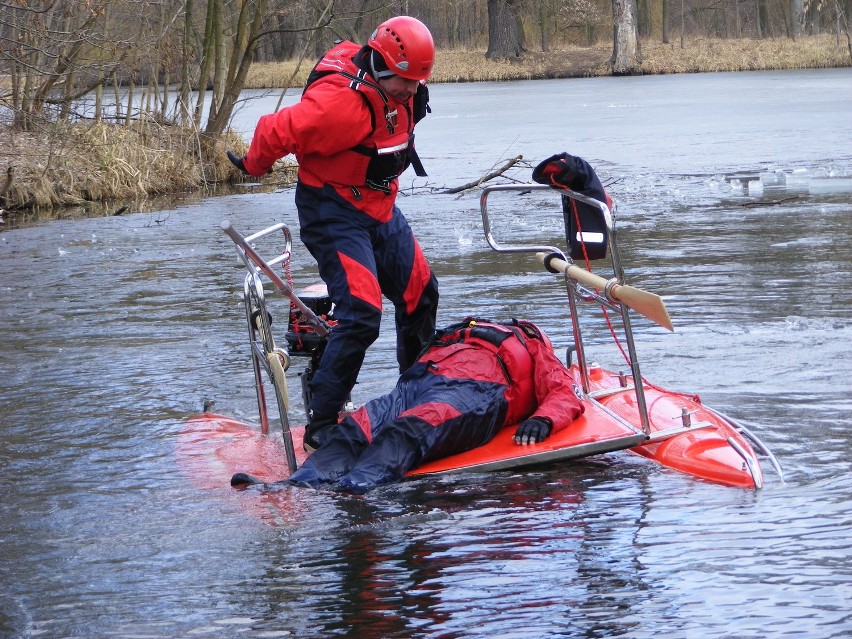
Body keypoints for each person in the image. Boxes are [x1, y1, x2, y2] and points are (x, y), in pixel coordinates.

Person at [228, 17, 440, 450]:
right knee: (362, 313)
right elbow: (274, 130)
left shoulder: (406, 92)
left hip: (378, 206)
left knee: (422, 292)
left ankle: (415, 396)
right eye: (404, 82)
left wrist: (407, 90)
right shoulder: (340, 107)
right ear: (380, 67)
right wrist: (253, 166)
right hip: (332, 210)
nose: (411, 92)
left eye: (418, 82)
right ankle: (321, 424)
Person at [284, 318, 585, 493]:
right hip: (420, 380)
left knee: (413, 426)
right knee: (359, 424)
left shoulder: (533, 346)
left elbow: (563, 392)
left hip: (476, 390)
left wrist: (543, 419)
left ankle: (352, 488)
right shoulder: (463, 331)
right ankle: (298, 484)